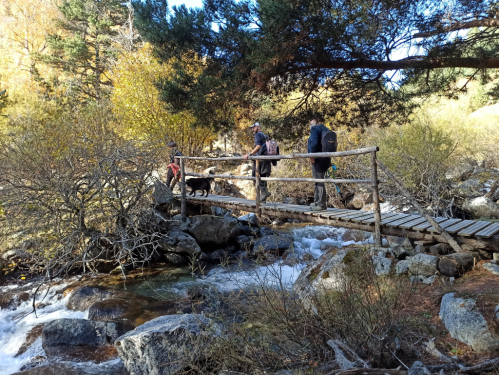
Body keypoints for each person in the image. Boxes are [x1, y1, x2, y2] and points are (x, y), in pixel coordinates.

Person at [307, 113, 332, 211]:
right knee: (319, 180)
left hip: (317, 159)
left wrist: (311, 155)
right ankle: (318, 202)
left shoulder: (315, 129)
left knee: (319, 180)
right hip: (326, 158)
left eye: (311, 120)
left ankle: (320, 204)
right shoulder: (327, 129)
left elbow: (314, 142)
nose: (310, 122)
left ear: (317, 121)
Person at [244, 122, 272, 203]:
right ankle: (263, 200)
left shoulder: (258, 135)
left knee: (254, 176)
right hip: (266, 160)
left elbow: (258, 146)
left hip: (260, 161)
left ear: (259, 127)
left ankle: (264, 192)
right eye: (252, 128)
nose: (252, 129)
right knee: (263, 179)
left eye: (254, 127)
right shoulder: (265, 136)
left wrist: (250, 154)